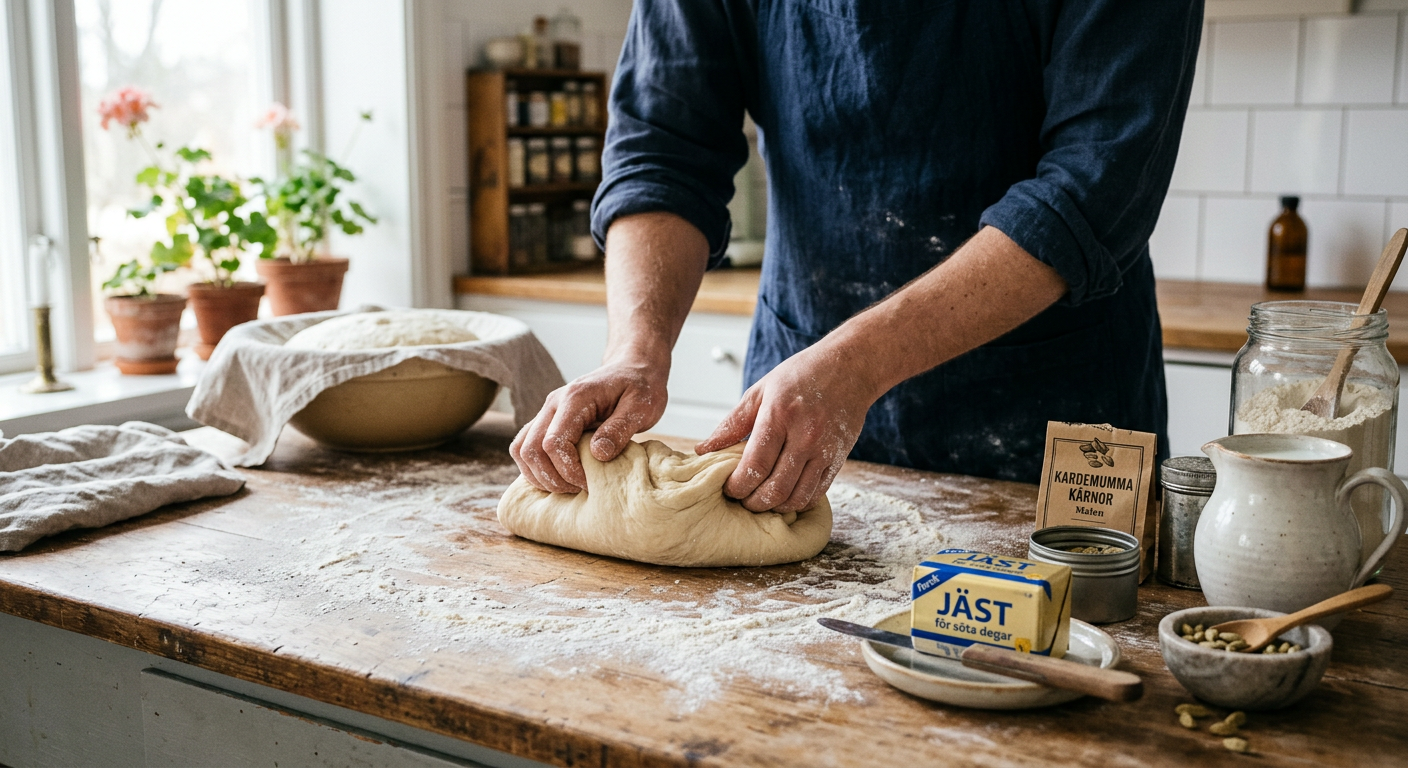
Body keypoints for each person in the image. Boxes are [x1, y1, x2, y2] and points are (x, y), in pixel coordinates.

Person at [511, 0, 1203, 516]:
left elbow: (1094, 189)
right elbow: (664, 146)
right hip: (797, 400)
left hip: (1051, 421)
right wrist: (635, 350)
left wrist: (856, 365)